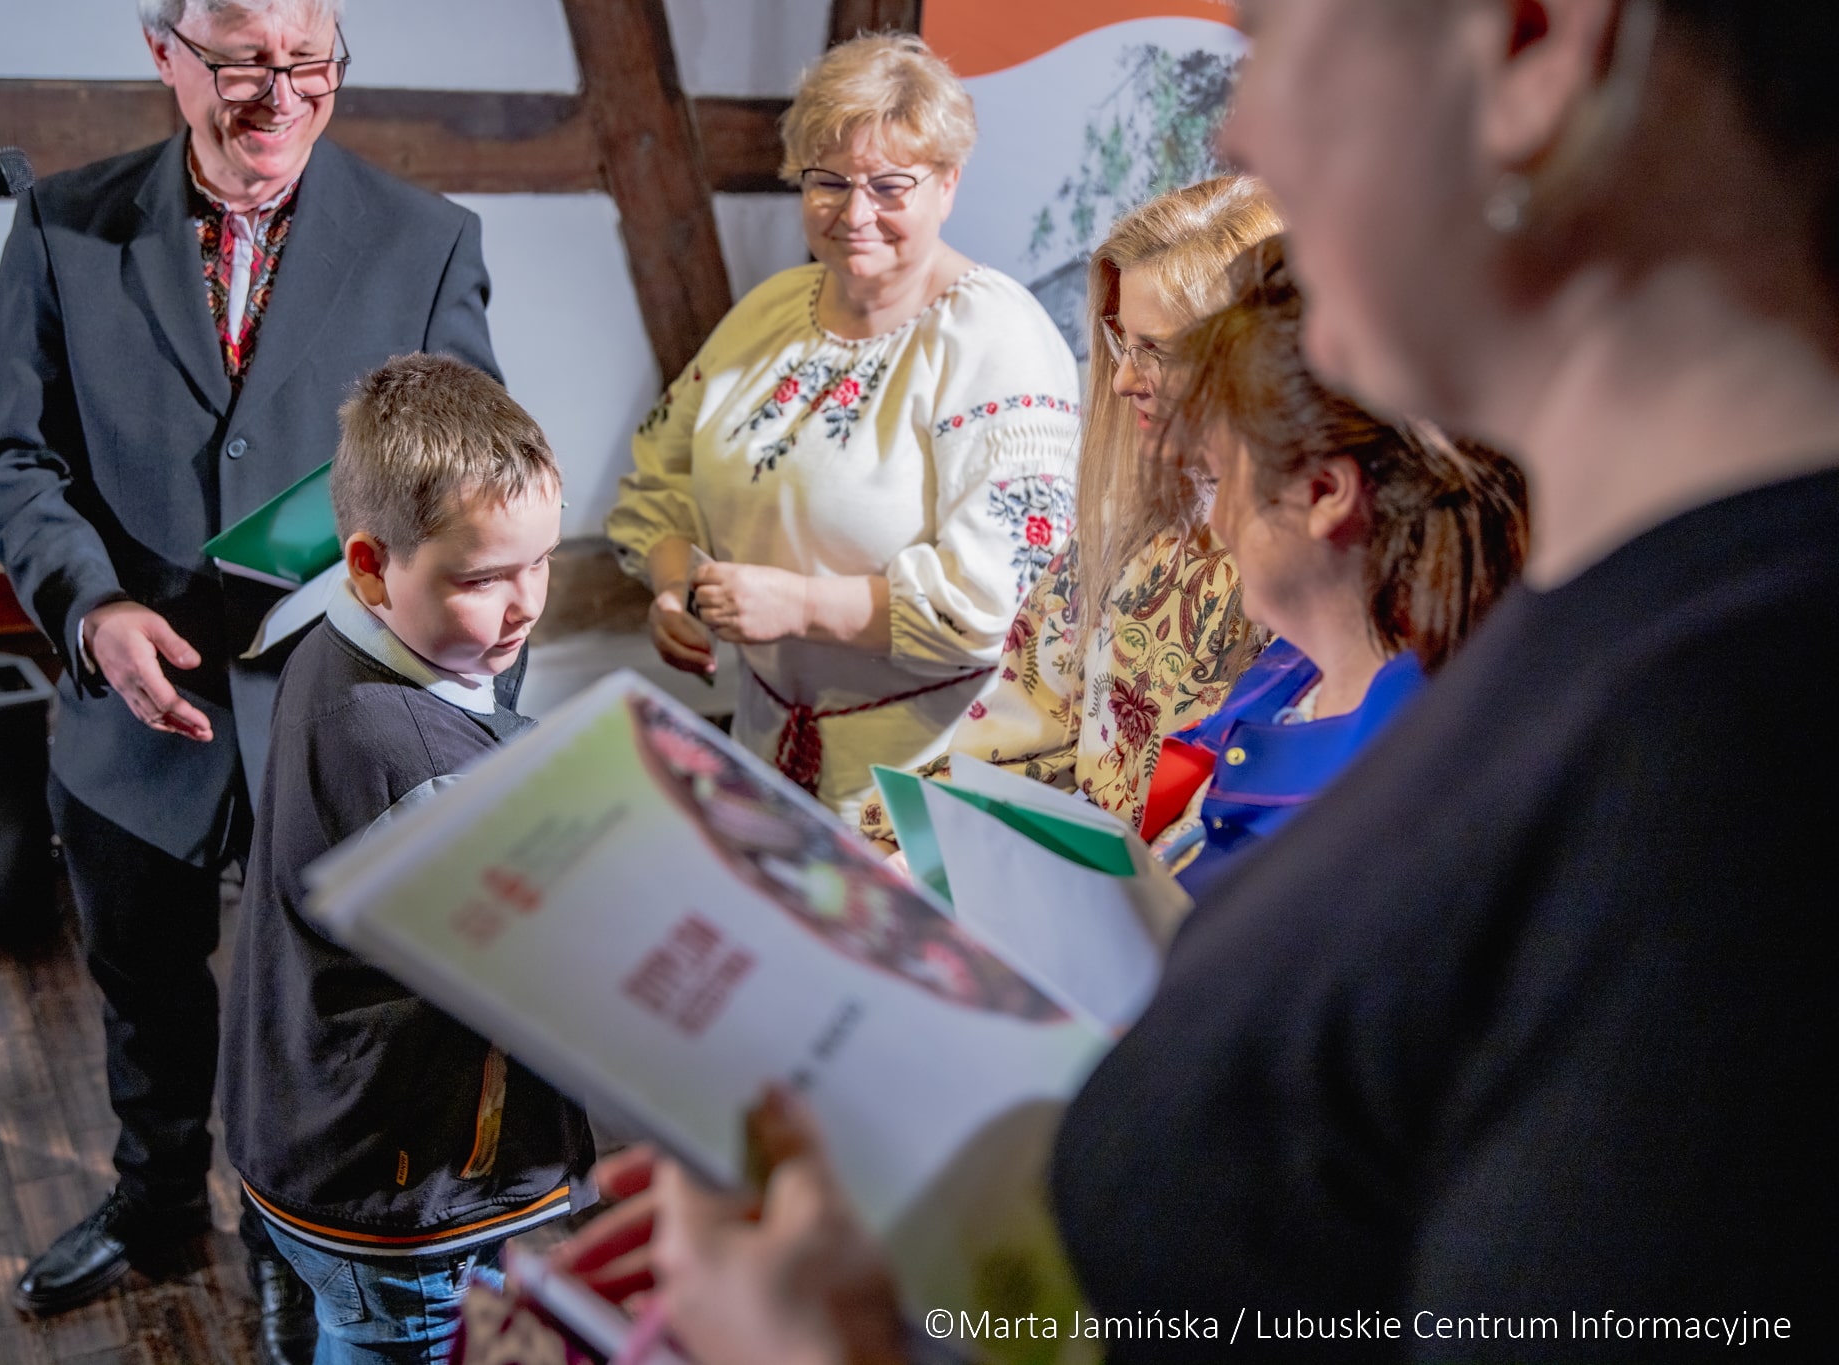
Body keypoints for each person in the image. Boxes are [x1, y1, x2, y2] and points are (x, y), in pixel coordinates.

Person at [557, 0, 1839, 1357]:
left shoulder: (1726, 765)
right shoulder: (1623, 663)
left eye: (1280, 37)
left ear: (1535, 43)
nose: (1243, 131)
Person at [0, 0, 503, 1348]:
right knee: (144, 989)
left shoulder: (431, 241)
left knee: (318, 1018)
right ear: (164, 53)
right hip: (127, 706)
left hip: (340, 719)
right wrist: (89, 608)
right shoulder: (59, 227)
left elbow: (468, 487)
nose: (279, 95)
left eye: (307, 62)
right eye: (240, 63)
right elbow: (22, 463)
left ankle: (290, 1237)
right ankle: (156, 1204)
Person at [219, 353, 593, 1363]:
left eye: (542, 560)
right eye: (482, 578)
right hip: (403, 1187)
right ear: (370, 563)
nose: (526, 604)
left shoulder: (331, 635)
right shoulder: (413, 760)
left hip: (313, 1121)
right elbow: (552, 973)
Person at [606, 33, 1081, 822]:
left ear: (947, 184)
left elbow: (999, 601)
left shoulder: (994, 340)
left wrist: (801, 605)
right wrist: (673, 588)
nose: (856, 213)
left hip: (935, 780)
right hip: (768, 750)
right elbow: (663, 477)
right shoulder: (769, 311)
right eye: (828, 181)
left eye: (890, 186)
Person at [860, 176, 1281, 849]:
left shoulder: (1315, 561)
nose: (1122, 380)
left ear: (1257, 360)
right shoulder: (1129, 525)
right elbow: (1020, 733)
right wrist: (903, 840)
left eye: (1157, 352)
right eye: (1122, 342)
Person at [1127, 237, 1527, 896]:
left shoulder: (1400, 779)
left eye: (1222, 478)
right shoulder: (1291, 669)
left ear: (1323, 493)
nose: (1217, 518)